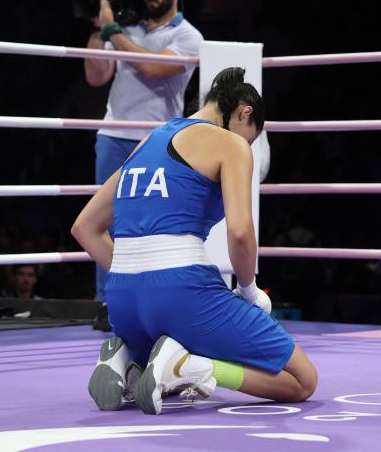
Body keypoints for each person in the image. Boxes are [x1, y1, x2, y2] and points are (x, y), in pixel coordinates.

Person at [72, 67, 318, 415]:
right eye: (250, 138)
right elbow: (240, 232)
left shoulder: (148, 141)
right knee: (300, 380)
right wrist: (249, 289)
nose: (246, 145)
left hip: (123, 303)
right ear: (245, 112)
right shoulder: (230, 143)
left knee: (162, 370)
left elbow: (84, 227)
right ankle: (192, 366)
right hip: (182, 292)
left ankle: (129, 363)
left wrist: (138, 275)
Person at [84, 0, 204, 304]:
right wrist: (96, 27)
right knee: (104, 222)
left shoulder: (187, 35)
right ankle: (108, 302)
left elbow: (153, 67)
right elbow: (96, 77)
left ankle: (152, 300)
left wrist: (112, 32)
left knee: (152, 224)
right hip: (112, 135)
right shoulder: (127, 30)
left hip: (157, 142)